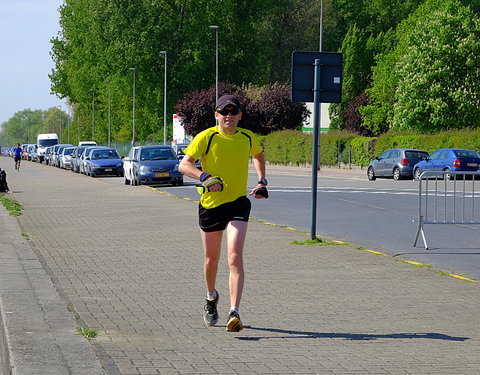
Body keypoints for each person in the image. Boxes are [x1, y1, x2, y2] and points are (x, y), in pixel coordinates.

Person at [179, 94, 268, 332]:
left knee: (235, 257)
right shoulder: (206, 137)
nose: (229, 116)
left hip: (238, 203)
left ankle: (234, 312)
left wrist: (262, 181)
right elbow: (184, 164)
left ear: (240, 115)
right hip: (211, 205)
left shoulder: (247, 137)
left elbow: (258, 154)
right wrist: (205, 177)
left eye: (233, 112)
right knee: (211, 260)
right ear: (216, 115)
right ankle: (211, 297)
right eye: (224, 112)